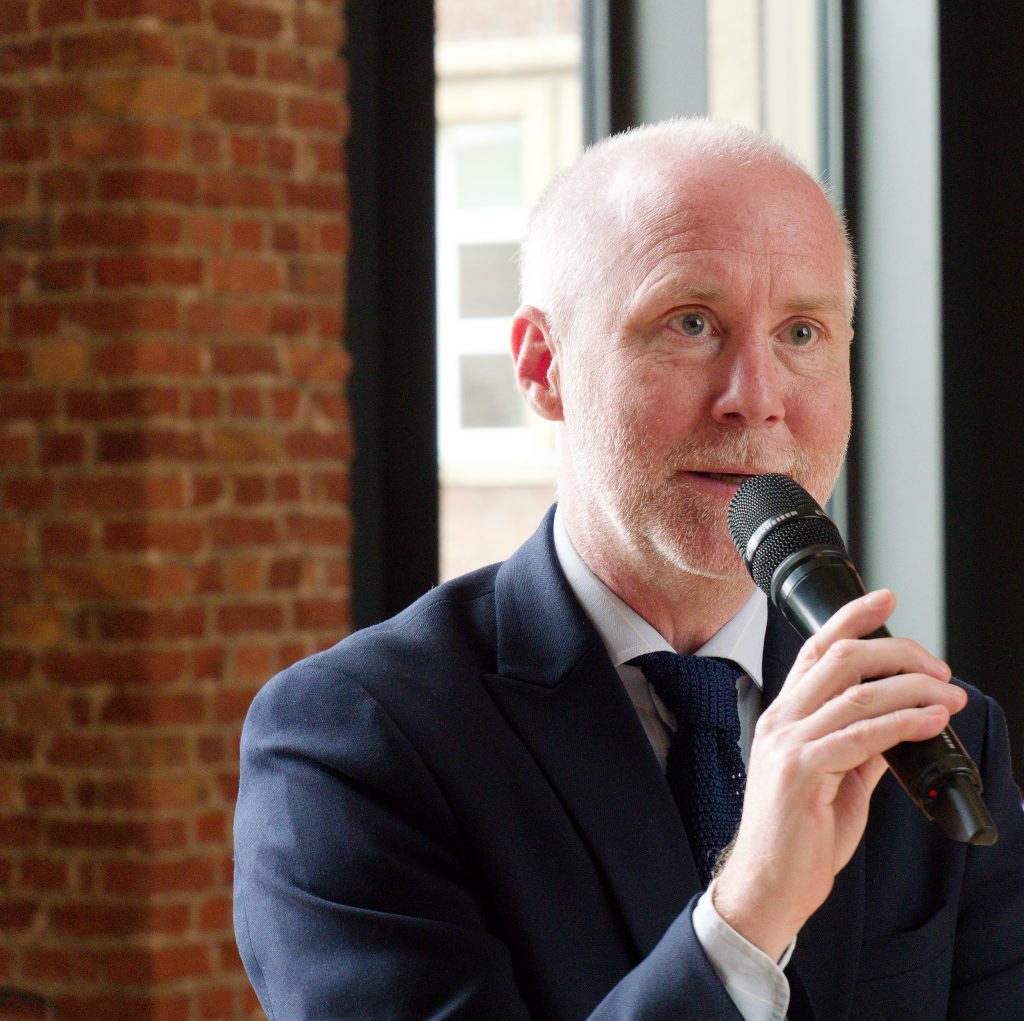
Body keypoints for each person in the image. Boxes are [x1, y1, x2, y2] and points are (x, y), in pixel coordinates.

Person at [233, 118, 1024, 1020]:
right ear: (544, 366)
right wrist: (745, 920)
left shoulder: (937, 741)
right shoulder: (355, 741)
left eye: (802, 333)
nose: (756, 398)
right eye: (691, 324)